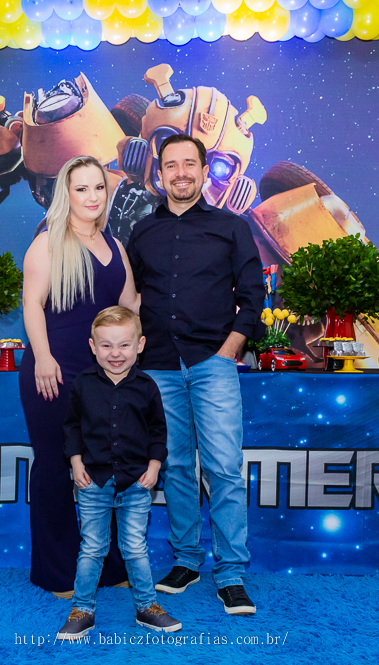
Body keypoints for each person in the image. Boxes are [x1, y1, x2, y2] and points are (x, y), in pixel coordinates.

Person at [125, 134, 265, 616]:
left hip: (214, 364)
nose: (181, 173)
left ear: (205, 172)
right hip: (159, 366)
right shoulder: (142, 233)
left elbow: (253, 296)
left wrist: (229, 350)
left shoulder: (232, 228)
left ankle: (231, 573)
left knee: (224, 468)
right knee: (178, 467)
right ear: (158, 174)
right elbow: (131, 299)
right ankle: (186, 560)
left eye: (190, 164)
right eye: (171, 165)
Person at [19, 156, 139, 595]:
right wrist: (44, 356)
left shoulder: (115, 245)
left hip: (102, 378)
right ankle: (54, 573)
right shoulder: (48, 243)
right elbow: (32, 305)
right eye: (82, 189)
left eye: (98, 188)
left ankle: (106, 568)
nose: (91, 197)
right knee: (54, 466)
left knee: (102, 470)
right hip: (53, 371)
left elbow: (129, 307)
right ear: (65, 194)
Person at [56, 306, 181, 640]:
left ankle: (147, 607)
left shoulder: (147, 386)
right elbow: (71, 427)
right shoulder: (82, 384)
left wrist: (155, 466)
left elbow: (158, 431)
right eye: (107, 345)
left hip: (136, 483)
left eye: (124, 345)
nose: (115, 353)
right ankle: (82, 609)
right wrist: (76, 461)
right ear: (93, 346)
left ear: (139, 345)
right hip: (93, 482)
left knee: (135, 548)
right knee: (93, 548)